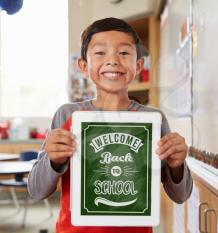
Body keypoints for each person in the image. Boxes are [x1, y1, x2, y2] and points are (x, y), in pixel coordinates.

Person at [28, 17, 193, 233]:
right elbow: (36, 190)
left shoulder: (153, 120)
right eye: (100, 53)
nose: (113, 60)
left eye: (124, 53)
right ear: (83, 66)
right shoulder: (68, 115)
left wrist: (177, 165)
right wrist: (53, 161)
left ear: (139, 65)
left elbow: (180, 195)